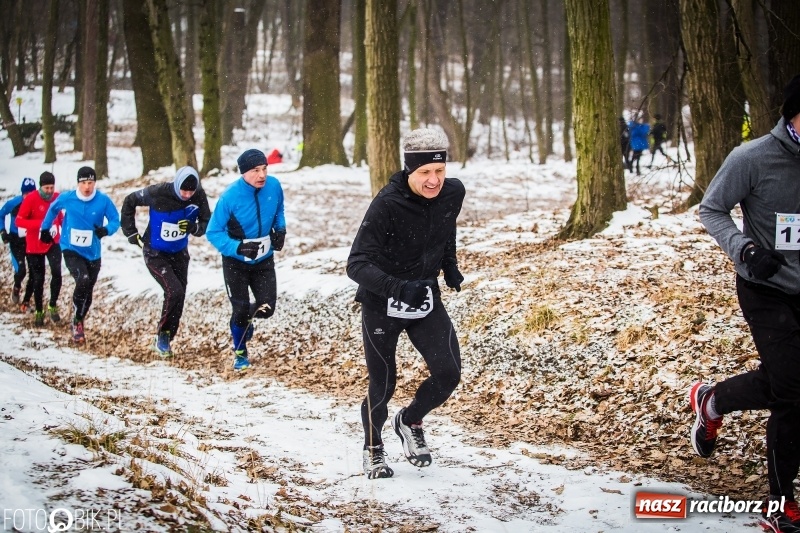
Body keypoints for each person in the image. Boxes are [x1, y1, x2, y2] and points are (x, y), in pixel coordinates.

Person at [692, 74, 800, 533]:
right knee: (793, 392)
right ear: (792, 115)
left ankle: (712, 400)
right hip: (765, 289)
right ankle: (780, 507)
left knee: (786, 382)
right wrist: (745, 250)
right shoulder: (751, 157)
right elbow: (710, 209)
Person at [346, 127, 466, 479]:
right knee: (383, 384)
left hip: (425, 298)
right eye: (425, 173)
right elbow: (356, 264)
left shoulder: (452, 192)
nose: (434, 181)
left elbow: (445, 228)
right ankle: (373, 449)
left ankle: (410, 420)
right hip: (382, 303)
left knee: (448, 373)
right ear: (409, 170)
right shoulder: (387, 204)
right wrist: (397, 288)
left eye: (439, 171)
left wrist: (450, 266)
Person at [206, 149, 286, 371]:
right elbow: (213, 232)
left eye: (264, 169)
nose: (262, 175)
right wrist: (238, 247)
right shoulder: (230, 197)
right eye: (255, 171)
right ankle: (240, 352)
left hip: (264, 260)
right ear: (243, 173)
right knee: (239, 309)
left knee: (267, 308)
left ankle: (243, 320)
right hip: (236, 262)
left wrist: (280, 229)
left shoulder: (274, 186)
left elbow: (279, 209)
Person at [121, 166, 211, 357]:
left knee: (179, 296)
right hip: (155, 253)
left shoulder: (199, 196)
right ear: (176, 184)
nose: (187, 194)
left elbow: (207, 223)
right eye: (183, 190)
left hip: (179, 253)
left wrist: (194, 227)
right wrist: (131, 233)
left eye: (191, 191)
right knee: (174, 290)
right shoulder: (158, 192)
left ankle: (167, 336)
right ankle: (162, 336)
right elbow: (130, 201)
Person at [40, 167, 119, 343]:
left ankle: (79, 317)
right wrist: (45, 228)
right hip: (70, 248)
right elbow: (53, 210)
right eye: (83, 183)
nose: (87, 187)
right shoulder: (68, 198)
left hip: (93, 253)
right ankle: (77, 321)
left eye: (90, 183)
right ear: (78, 183)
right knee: (82, 279)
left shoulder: (103, 200)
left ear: (95, 183)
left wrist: (106, 230)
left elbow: (115, 220)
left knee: (88, 290)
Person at [15, 171, 63, 327]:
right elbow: (19, 221)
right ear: (40, 187)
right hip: (34, 245)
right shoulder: (30, 199)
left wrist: (61, 228)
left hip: (52, 242)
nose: (49, 191)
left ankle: (53, 305)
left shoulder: (57, 197)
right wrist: (41, 224)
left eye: (51, 187)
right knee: (38, 279)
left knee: (57, 272)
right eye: (46, 188)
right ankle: (39, 311)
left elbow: (61, 217)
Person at [0, 177, 36, 308]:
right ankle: (16, 287)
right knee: (21, 271)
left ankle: (26, 300)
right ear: (22, 193)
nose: (28, 196)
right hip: (16, 241)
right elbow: (1, 214)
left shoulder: (37, 204)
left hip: (31, 241)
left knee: (34, 272)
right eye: (26, 194)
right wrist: (3, 231)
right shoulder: (14, 203)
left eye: (31, 193)